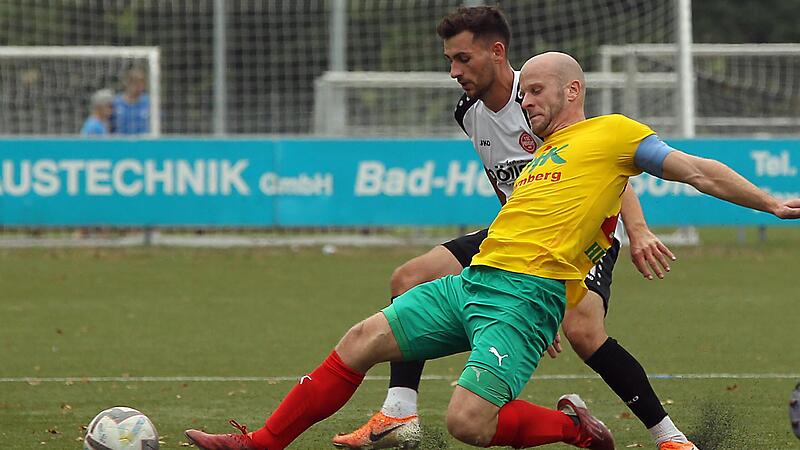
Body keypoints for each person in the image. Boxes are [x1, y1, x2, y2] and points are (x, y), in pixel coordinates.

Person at [183, 51, 800, 450]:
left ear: (573, 90)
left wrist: (768, 203)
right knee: (358, 340)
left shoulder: (613, 133)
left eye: (535, 92)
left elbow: (695, 170)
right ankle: (260, 444)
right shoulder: (542, 154)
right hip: (475, 283)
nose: (524, 103)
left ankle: (575, 430)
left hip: (523, 299)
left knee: (466, 424)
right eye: (523, 94)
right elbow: (564, 228)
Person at [334, 6, 693, 450]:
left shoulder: (539, 96)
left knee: (583, 332)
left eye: (462, 59)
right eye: (450, 60)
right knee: (409, 277)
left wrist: (638, 230)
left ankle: (667, 435)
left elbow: (605, 164)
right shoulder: (468, 112)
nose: (453, 71)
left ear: (496, 53)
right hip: (515, 237)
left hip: (578, 234)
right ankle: (398, 414)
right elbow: (504, 184)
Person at [112, 68, 150, 134]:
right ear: (128, 83)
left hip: (144, 142)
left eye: (142, 83)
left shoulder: (149, 102)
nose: (140, 87)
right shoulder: (116, 102)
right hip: (120, 142)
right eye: (136, 83)